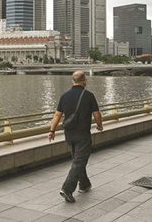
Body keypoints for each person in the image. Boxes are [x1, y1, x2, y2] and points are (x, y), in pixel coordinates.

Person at [48, 70, 103, 203]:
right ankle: (67, 188)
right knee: (79, 161)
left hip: (69, 134)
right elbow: (96, 114)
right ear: (84, 81)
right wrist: (99, 125)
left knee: (78, 160)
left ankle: (84, 184)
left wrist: (52, 130)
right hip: (83, 134)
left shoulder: (64, 96)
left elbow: (57, 115)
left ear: (73, 81)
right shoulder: (89, 95)